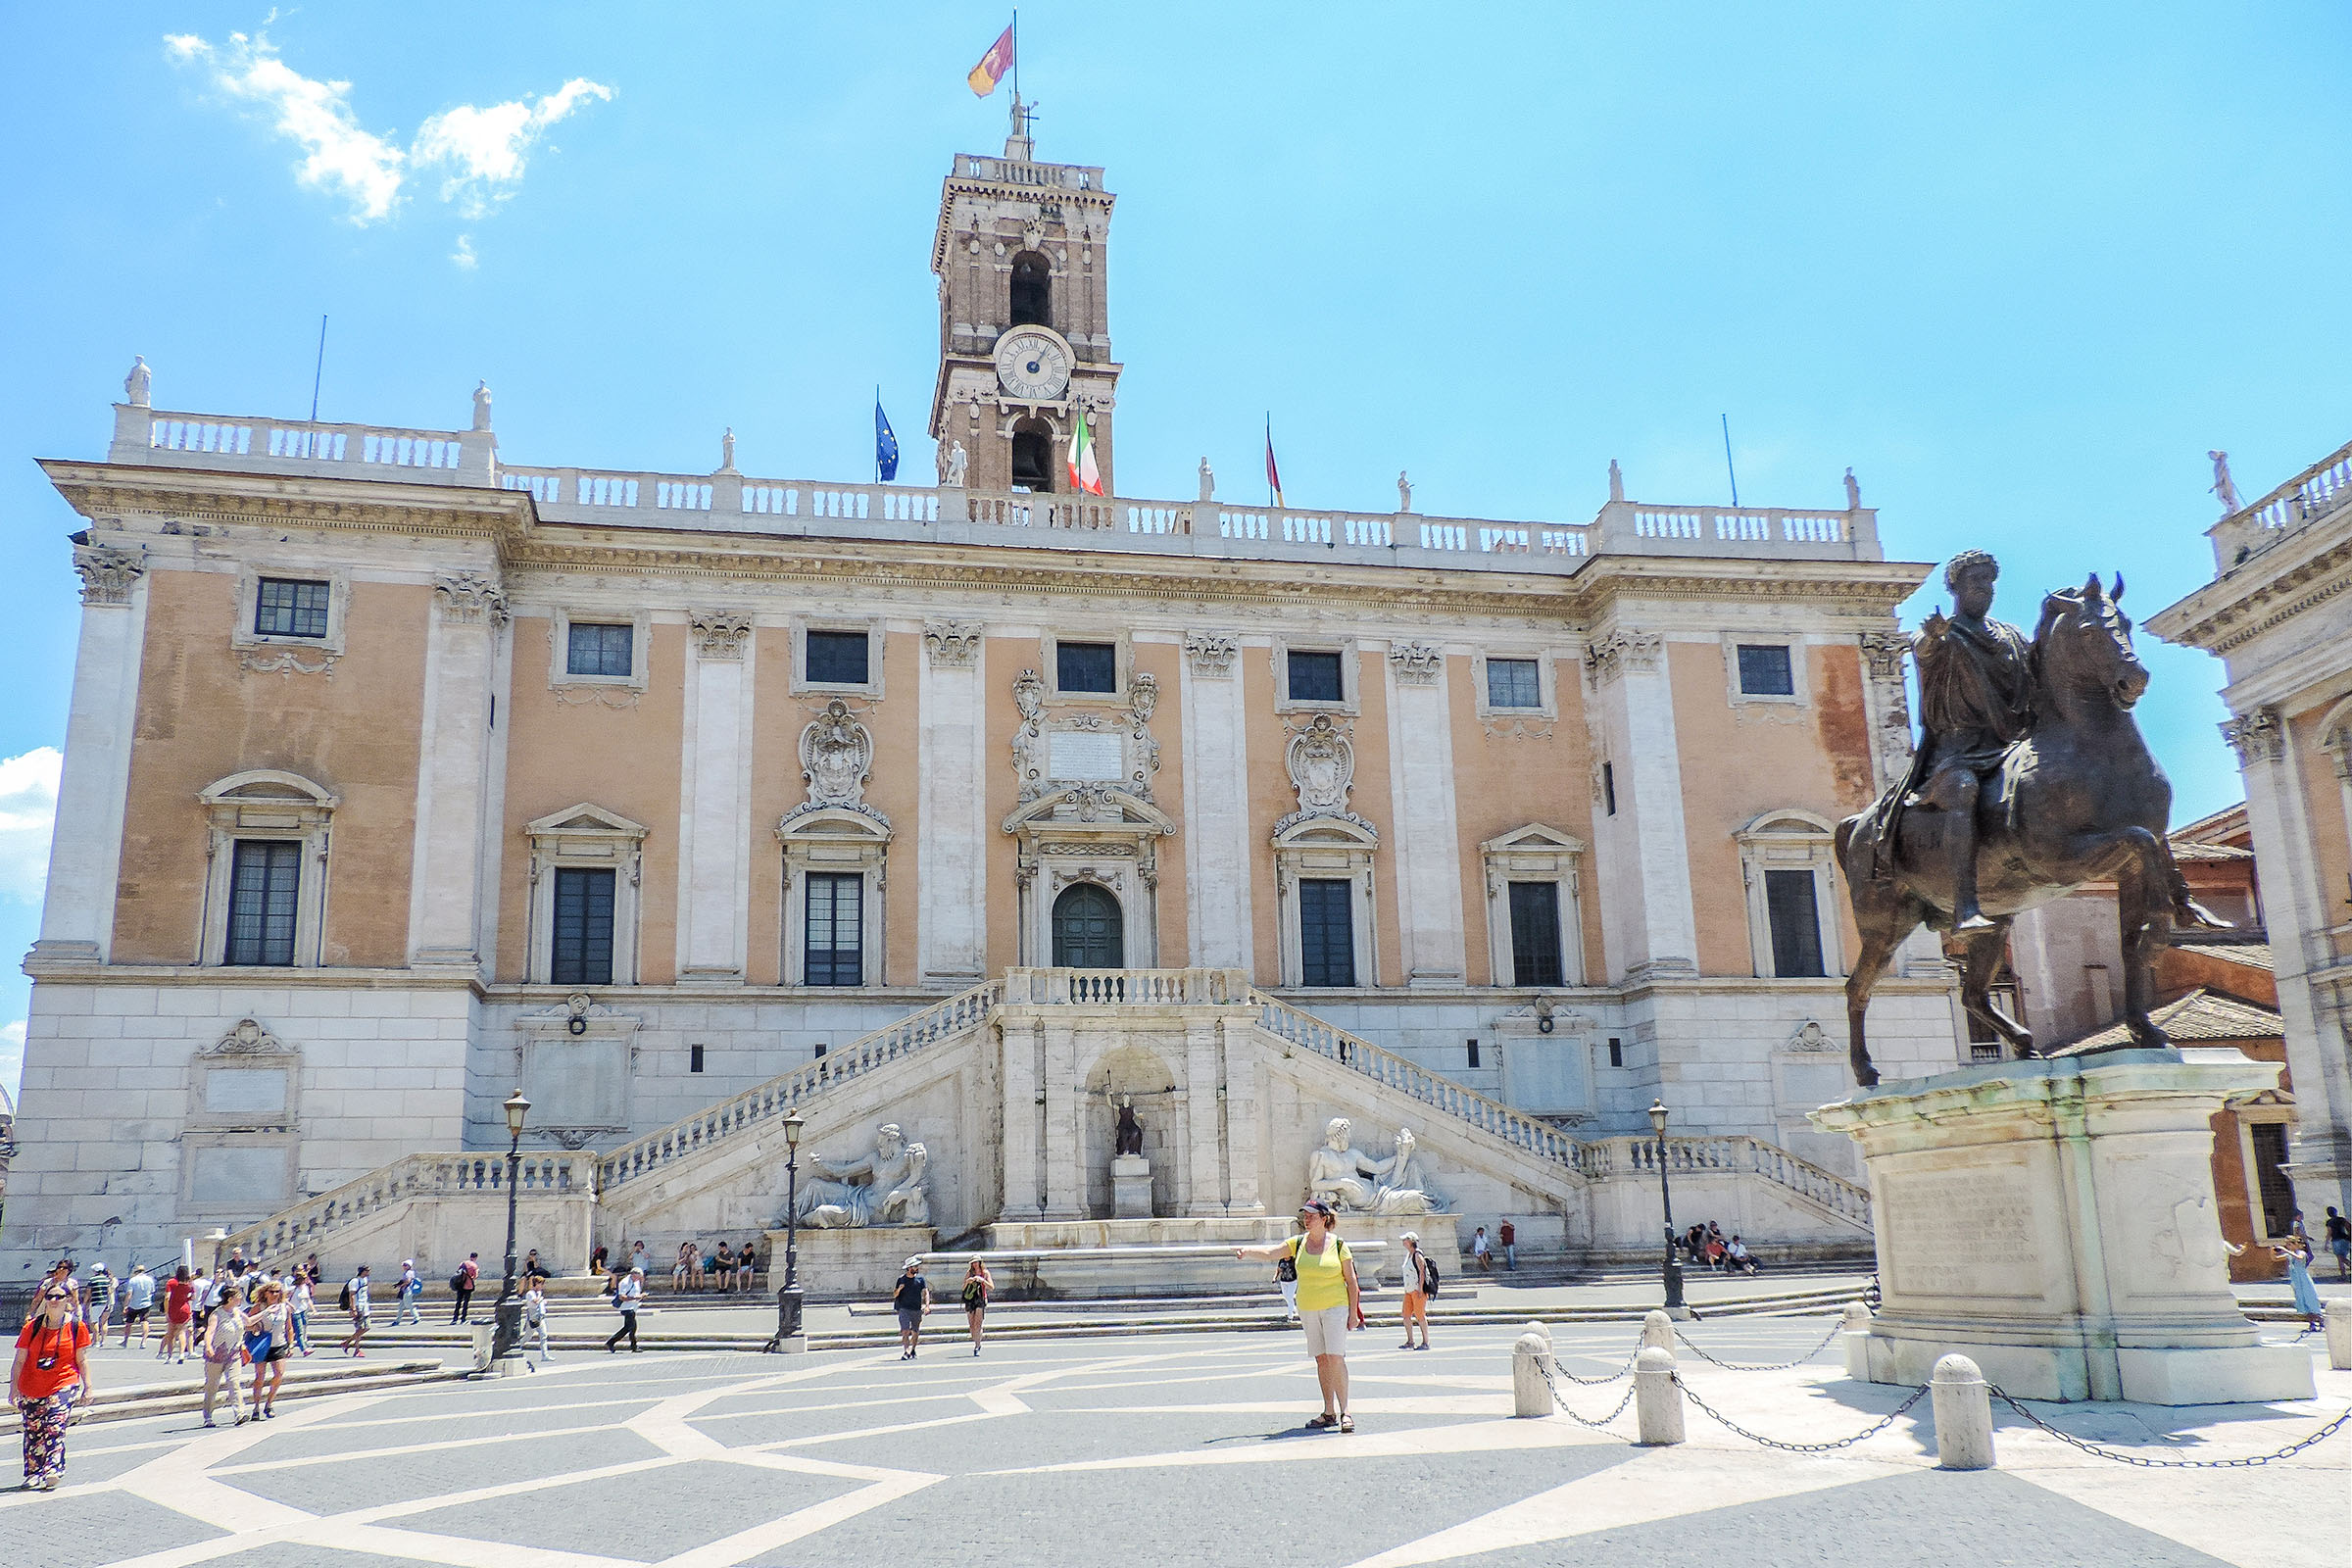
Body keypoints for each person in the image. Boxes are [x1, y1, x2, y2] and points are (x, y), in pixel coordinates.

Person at [1238, 1200, 1365, 1432]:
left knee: (1335, 1357)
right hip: (1308, 1307)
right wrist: (1247, 1251)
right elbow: (1270, 1253)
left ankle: (1346, 1411)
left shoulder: (1338, 1245)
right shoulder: (1298, 1243)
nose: (1306, 1220)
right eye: (1305, 1216)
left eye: (1311, 1216)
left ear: (1324, 1218)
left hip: (1335, 1306)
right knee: (1321, 1359)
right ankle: (1329, 1411)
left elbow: (1352, 1280)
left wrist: (1353, 1313)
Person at [13, 1277, 93, 1491]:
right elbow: (20, 1359)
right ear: (45, 1300)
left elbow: (81, 1359)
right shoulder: (32, 1327)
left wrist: (88, 1386)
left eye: (60, 1296)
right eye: (50, 1296)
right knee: (33, 1431)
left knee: (55, 1425)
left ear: (67, 1300)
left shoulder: (77, 1326)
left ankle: (53, 1469)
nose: (54, 1300)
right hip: (32, 1385)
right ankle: (33, 1472)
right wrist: (13, 1388)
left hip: (63, 1382)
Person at [199, 1284, 249, 1427]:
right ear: (230, 1299)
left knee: (234, 1382)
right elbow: (210, 1331)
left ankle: (239, 1414)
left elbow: (250, 1321)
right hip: (216, 1356)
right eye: (238, 1297)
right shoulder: (216, 1314)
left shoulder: (238, 1312)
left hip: (234, 1354)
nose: (240, 1300)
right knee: (212, 1386)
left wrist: (267, 1312)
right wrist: (208, 1345)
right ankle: (208, 1416)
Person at [243, 1280, 292, 1420]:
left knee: (279, 1374)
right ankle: (256, 1406)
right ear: (265, 1293)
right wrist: (254, 1328)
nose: (275, 1294)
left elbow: (289, 1327)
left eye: (278, 1292)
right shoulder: (259, 1307)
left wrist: (291, 1344)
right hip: (263, 1344)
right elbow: (247, 1324)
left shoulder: (284, 1308)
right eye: (272, 1291)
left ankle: (269, 1403)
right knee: (260, 1377)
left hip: (279, 1344)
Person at [2277, 1235, 2326, 1331]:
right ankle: (2311, 1324)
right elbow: (2275, 1259)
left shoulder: (2301, 1253)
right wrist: (2272, 1251)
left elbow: (2299, 1258)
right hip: (2296, 1280)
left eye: (2289, 1244)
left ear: (2296, 1244)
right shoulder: (2290, 1254)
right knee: (2302, 1300)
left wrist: (2287, 1251)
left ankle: (2321, 1322)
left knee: (2310, 1298)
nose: (2288, 1247)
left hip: (2303, 1279)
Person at [1397, 1232, 1437, 1351]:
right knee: (1406, 1315)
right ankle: (1410, 1341)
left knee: (1420, 1316)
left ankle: (1426, 1341)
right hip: (1409, 1290)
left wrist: (1420, 1288)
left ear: (1410, 1241)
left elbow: (1422, 1272)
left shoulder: (1417, 1255)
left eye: (1405, 1240)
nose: (1403, 1242)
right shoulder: (1408, 1255)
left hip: (1417, 1290)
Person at [892, 1257, 930, 1360]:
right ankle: (906, 1350)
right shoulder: (901, 1279)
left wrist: (927, 1305)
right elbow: (895, 1294)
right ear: (909, 1268)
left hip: (916, 1308)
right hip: (904, 1308)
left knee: (915, 1331)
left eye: (917, 1266)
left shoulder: (920, 1279)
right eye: (915, 1266)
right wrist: (899, 1289)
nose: (917, 1268)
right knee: (905, 1330)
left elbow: (926, 1292)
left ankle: (913, 1349)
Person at [607, 1264, 645, 1352]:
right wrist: (636, 1298)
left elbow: (636, 1293)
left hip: (633, 1307)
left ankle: (613, 1342)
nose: (639, 1279)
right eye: (638, 1277)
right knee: (631, 1327)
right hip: (626, 1308)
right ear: (633, 1275)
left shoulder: (636, 1281)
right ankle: (632, 1346)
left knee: (630, 1328)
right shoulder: (625, 1282)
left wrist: (640, 1296)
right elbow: (621, 1297)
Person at [959, 1258, 993, 1356]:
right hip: (970, 1299)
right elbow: (963, 1288)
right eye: (973, 1263)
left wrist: (982, 1281)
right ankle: (976, 1341)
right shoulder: (969, 1273)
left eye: (976, 1262)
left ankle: (977, 1346)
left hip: (980, 1298)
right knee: (971, 1324)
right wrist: (968, 1282)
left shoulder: (985, 1273)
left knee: (978, 1323)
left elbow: (991, 1286)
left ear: (980, 1262)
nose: (975, 1264)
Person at [119, 1263, 157, 1349]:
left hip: (134, 1304)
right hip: (146, 1303)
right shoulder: (150, 1279)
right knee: (145, 1321)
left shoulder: (133, 1280)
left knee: (129, 1323)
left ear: (136, 1272)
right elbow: (152, 1291)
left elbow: (129, 1293)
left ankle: (125, 1340)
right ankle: (143, 1341)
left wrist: (125, 1305)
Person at [162, 1265, 194, 1362]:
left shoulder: (171, 1283)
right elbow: (193, 1297)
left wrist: (166, 1311)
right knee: (182, 1332)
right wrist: (186, 1299)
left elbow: (167, 1297)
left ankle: (169, 1356)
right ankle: (181, 1354)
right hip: (184, 1308)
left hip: (173, 1309)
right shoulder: (189, 1284)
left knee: (171, 1333)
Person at [340, 1266, 371, 1357]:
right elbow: (352, 1295)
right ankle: (357, 1349)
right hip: (358, 1306)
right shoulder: (354, 1281)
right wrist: (353, 1308)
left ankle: (347, 1342)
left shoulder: (365, 1280)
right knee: (359, 1328)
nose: (369, 1272)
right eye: (367, 1270)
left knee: (366, 1327)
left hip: (365, 1306)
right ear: (363, 1271)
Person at [521, 1278, 551, 1368]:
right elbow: (535, 1301)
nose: (542, 1286)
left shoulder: (539, 1293)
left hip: (540, 1317)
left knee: (543, 1335)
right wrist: (541, 1299)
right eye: (541, 1284)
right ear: (536, 1283)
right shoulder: (530, 1293)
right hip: (533, 1318)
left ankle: (545, 1355)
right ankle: (518, 1345)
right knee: (528, 1336)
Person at [83, 1264, 116, 1342]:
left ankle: (96, 1340)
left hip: (95, 1302)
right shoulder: (106, 1279)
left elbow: (88, 1292)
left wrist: (85, 1302)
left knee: (94, 1321)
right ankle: (103, 1340)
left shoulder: (92, 1280)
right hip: (106, 1302)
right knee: (104, 1322)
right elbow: (109, 1291)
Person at [288, 1270, 316, 1357]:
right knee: (299, 1331)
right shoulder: (292, 1289)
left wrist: (313, 1309)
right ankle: (304, 1349)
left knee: (302, 1330)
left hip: (303, 1310)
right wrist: (290, 1305)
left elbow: (308, 1299)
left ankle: (291, 1345)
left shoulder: (305, 1287)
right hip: (295, 1312)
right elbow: (284, 1298)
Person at [451, 1253, 480, 1324]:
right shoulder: (474, 1266)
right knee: (466, 1303)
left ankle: (455, 1318)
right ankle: (463, 1319)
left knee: (458, 1302)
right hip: (468, 1286)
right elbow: (475, 1277)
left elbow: (458, 1272)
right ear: (475, 1258)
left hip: (460, 1285)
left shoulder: (463, 1263)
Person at [2327, 1206, 2351, 1283]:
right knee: (2342, 1257)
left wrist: (2326, 1243)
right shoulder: (2342, 1219)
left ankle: (2345, 1273)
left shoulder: (2329, 1222)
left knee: (2340, 1258)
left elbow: (2329, 1233)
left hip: (2336, 1240)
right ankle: (2343, 1275)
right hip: (2345, 1239)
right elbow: (2349, 1227)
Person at [393, 1261, 421, 1325]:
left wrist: (401, 1285)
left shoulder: (408, 1273)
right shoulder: (410, 1272)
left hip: (407, 1291)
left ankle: (417, 1318)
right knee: (401, 1306)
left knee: (409, 1305)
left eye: (405, 1265)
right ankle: (397, 1320)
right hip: (405, 1291)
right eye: (403, 1265)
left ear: (409, 1266)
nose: (404, 1266)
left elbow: (408, 1281)